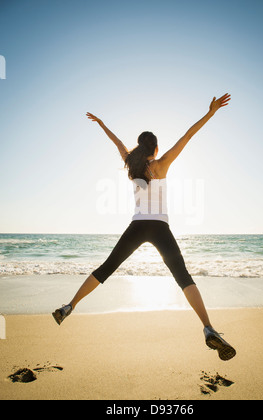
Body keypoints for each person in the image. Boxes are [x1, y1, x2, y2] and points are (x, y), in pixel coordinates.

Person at [52, 94, 236, 361]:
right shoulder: (161, 165)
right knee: (183, 277)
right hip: (160, 228)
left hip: (137, 226)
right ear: (157, 148)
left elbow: (116, 142)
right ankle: (208, 328)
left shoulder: (132, 163)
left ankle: (69, 306)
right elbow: (188, 135)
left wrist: (102, 123)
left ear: (140, 147)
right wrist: (211, 113)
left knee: (106, 268)